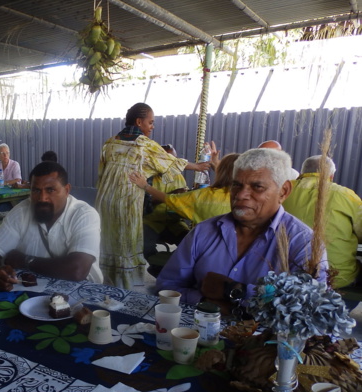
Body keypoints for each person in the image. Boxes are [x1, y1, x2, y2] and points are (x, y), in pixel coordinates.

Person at [156, 148, 327, 312]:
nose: (241, 195)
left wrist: (235, 291)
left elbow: (310, 304)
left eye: (257, 187)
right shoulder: (203, 232)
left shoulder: (303, 242)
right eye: (236, 185)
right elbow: (167, 285)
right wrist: (204, 303)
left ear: (283, 191)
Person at [95, 102, 211, 289]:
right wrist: (197, 166)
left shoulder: (109, 143)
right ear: (139, 122)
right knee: (126, 242)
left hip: (105, 200)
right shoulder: (144, 145)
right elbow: (170, 161)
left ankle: (106, 284)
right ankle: (125, 288)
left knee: (108, 241)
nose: (152, 127)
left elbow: (101, 174)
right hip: (127, 201)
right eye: (150, 122)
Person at [0, 161, 103, 291]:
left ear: (66, 190)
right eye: (36, 190)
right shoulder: (22, 212)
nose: (42, 198)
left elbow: (77, 270)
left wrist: (25, 261)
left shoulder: (84, 215)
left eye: (50, 190)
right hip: (32, 293)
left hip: (84, 294)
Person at [283, 155, 362, 288]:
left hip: (285, 278)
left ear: (302, 173)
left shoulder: (282, 191)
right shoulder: (346, 196)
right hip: (336, 279)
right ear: (331, 176)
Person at [130, 153, 239, 225]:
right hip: (153, 222)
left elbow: (171, 199)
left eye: (173, 160)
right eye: (168, 160)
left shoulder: (202, 194)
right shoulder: (243, 196)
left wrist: (145, 186)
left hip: (176, 224)